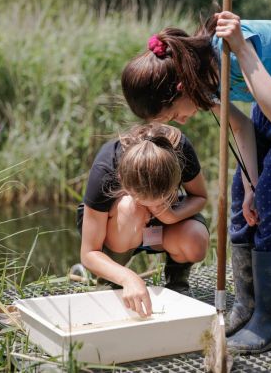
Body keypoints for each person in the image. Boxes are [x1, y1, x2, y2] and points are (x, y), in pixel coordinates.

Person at [121, 10, 271, 353]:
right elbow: (241, 127)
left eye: (173, 114)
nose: (181, 121)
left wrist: (241, 46)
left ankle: (268, 320)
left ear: (179, 89)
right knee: (244, 191)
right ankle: (247, 306)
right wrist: (251, 183)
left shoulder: (229, 51)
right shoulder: (200, 78)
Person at [77, 123, 209, 318]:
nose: (152, 209)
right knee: (131, 209)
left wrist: (170, 214)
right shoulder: (105, 168)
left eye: (161, 201)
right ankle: (112, 279)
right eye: (146, 202)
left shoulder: (180, 150)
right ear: (122, 179)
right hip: (118, 227)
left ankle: (177, 280)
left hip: (161, 229)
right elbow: (89, 253)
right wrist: (128, 277)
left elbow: (200, 197)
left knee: (195, 240)